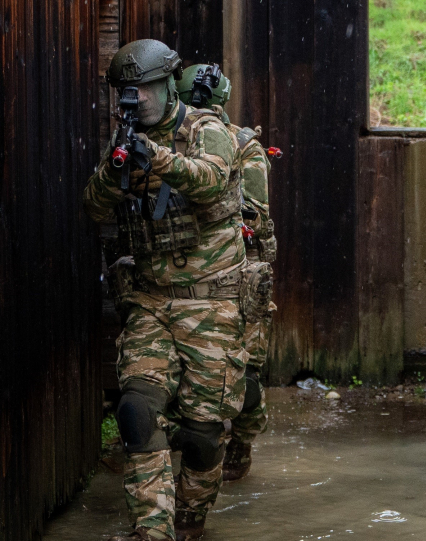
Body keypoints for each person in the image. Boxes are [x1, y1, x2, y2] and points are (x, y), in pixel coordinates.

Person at [84, 39, 247, 541]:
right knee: (136, 411)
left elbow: (210, 181)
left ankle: (190, 522)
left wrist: (154, 157)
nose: (134, 101)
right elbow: (93, 206)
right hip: (151, 301)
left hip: (210, 302)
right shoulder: (125, 137)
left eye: (143, 91)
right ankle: (150, 532)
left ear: (167, 85)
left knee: (201, 436)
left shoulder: (206, 128)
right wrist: (117, 168)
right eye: (124, 93)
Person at [176, 64, 277, 482]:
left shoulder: (241, 146)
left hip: (237, 273)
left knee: (246, 373)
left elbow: (253, 216)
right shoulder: (168, 143)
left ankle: (243, 440)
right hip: (180, 274)